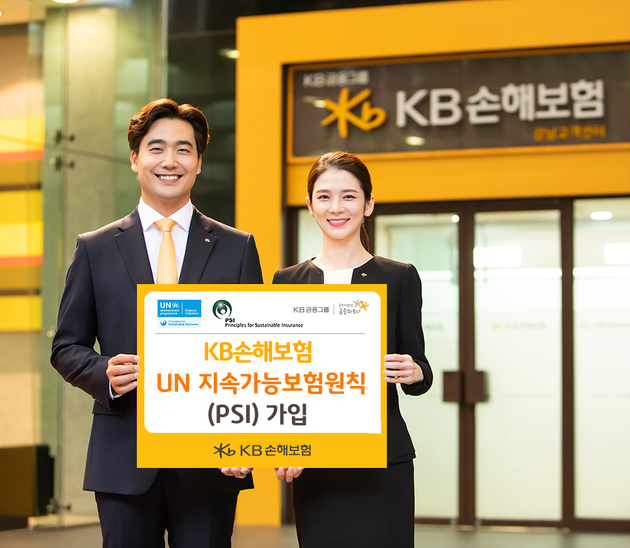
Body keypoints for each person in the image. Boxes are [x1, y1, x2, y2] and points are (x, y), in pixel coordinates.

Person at [50, 99, 262, 548]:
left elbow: (257, 351)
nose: (170, 161)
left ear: (199, 162)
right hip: (123, 454)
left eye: (184, 150)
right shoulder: (95, 248)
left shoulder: (237, 247)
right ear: (135, 158)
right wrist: (103, 373)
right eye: (156, 148)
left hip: (211, 456)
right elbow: (66, 346)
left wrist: (245, 439)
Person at [273, 151, 433, 548]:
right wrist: (281, 443)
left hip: (382, 459)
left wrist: (414, 372)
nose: (336, 207)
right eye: (324, 197)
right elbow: (277, 375)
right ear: (310, 205)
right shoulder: (287, 281)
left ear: (368, 204)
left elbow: (420, 371)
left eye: (349, 196)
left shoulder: (399, 277)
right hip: (313, 461)